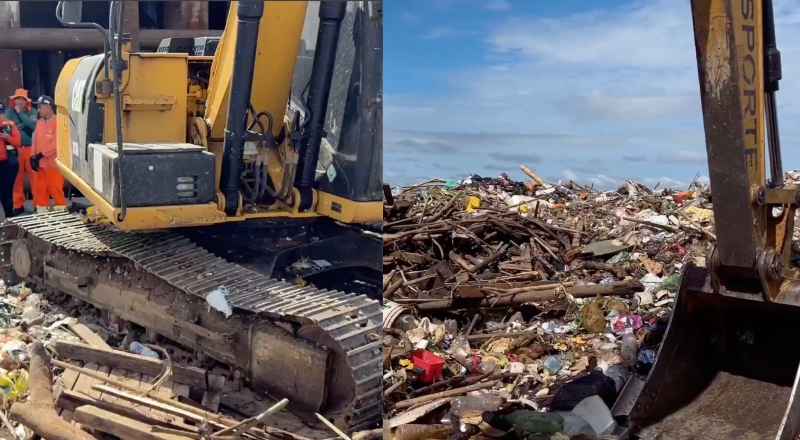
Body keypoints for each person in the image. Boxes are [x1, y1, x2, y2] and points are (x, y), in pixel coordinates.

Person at [30, 95, 65, 214]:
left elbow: (56, 143)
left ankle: (59, 215)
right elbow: (35, 141)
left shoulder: (58, 122)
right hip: (40, 164)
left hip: (53, 164)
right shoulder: (39, 123)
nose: (38, 110)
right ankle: (42, 214)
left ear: (48, 106)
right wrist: (33, 157)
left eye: (40, 107)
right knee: (39, 189)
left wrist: (40, 155)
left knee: (55, 189)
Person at [5, 89, 38, 216]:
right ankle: (18, 205)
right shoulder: (9, 112)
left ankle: (37, 204)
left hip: (30, 149)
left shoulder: (33, 111)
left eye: (21, 99)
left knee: (34, 178)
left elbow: (33, 125)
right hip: (15, 150)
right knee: (16, 179)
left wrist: (21, 117)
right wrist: (22, 125)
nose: (18, 101)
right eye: (16, 99)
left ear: (26, 101)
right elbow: (7, 127)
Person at [0, 103, 21, 217]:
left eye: (1, 113)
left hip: (8, 163)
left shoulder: (10, 125)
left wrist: (8, 137)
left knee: (6, 192)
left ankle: (9, 216)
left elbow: (18, 143)